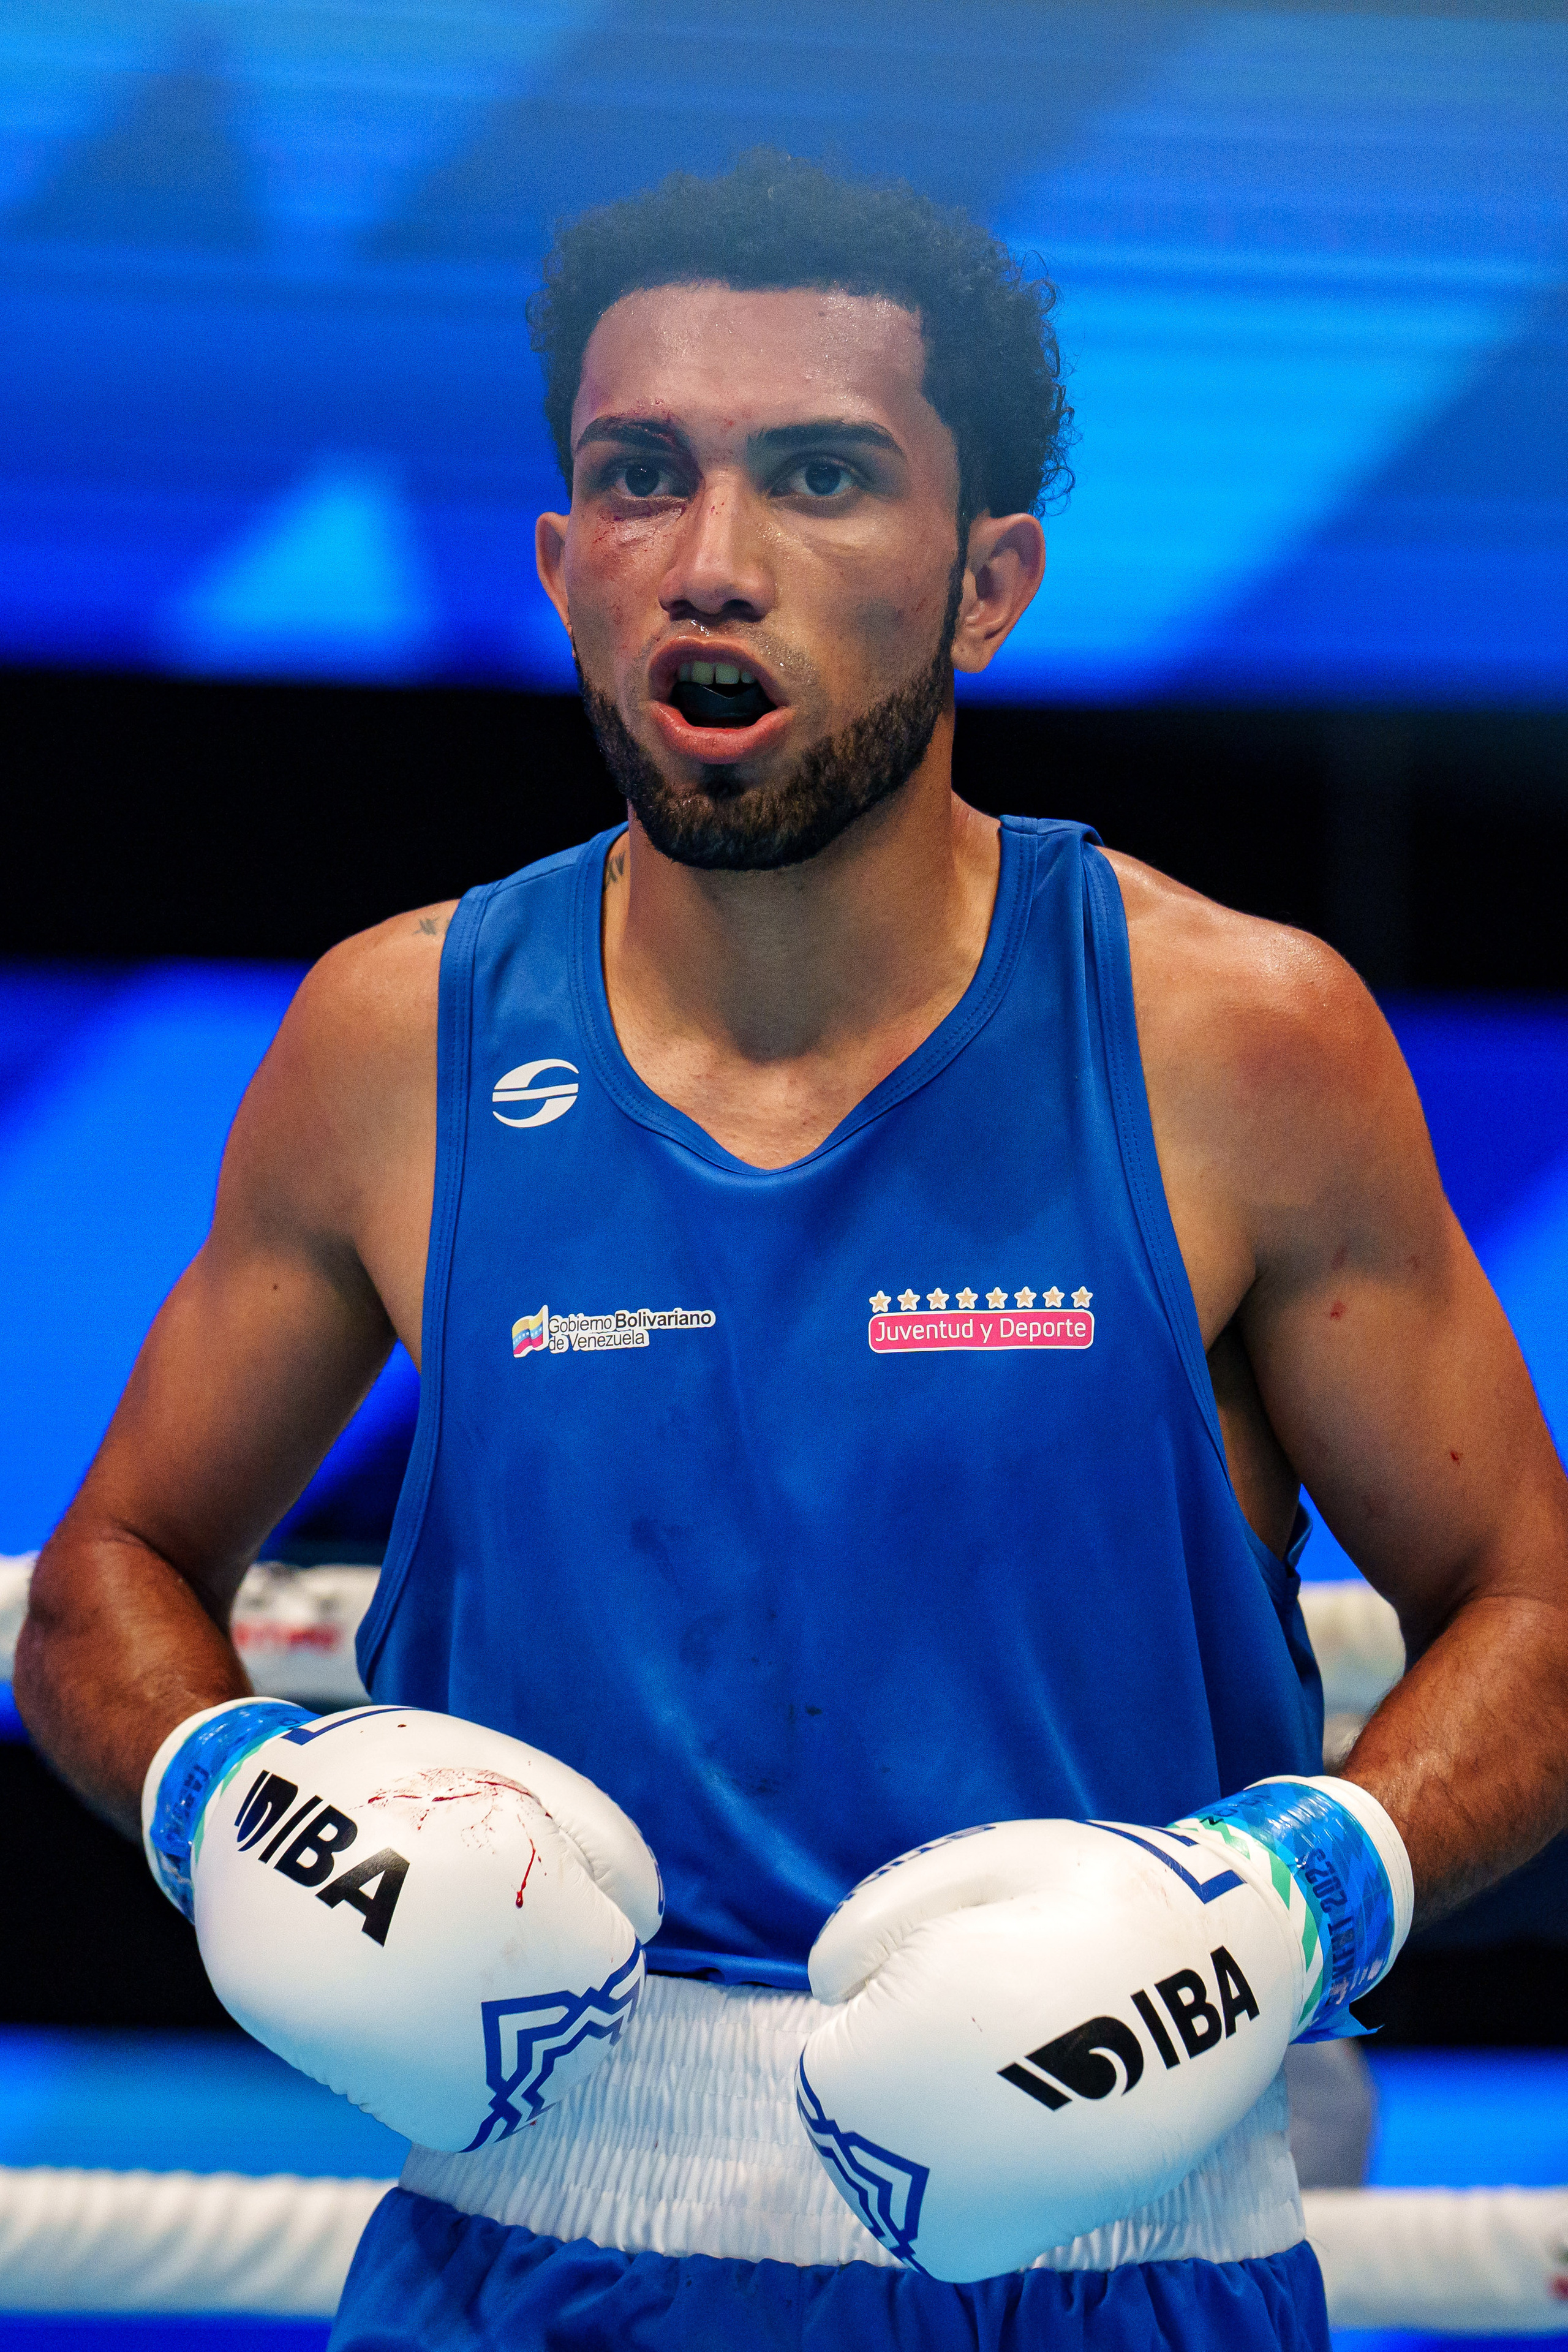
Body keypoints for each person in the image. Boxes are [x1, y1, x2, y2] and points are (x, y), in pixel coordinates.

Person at [16, 152, 1568, 2350]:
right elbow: (101, 1581)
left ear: (984, 579)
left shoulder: (1234, 1041)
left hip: (1104, 2282)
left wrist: (1284, 1913)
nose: (714, 564)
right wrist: (238, 1810)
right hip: (515, 2281)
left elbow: (1535, 1610)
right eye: (641, 479)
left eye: (823, 478)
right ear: (564, 564)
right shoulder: (399, 1040)